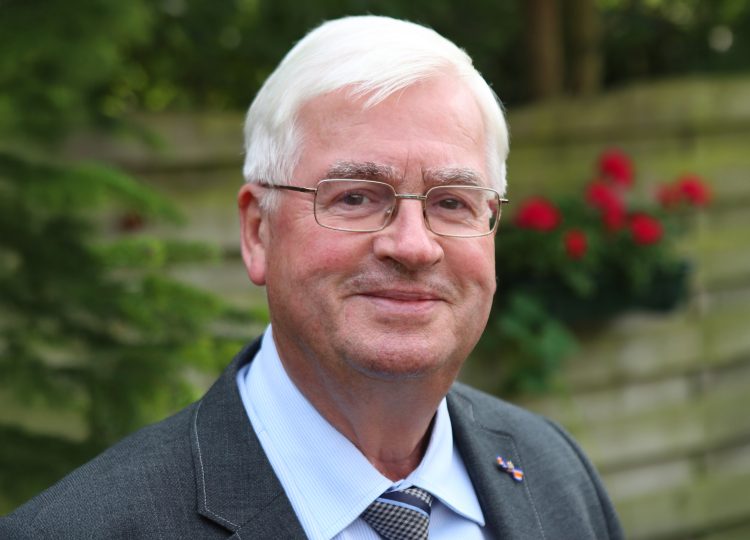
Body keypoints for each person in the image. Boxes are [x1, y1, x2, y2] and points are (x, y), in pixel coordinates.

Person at [0, 15, 623, 540]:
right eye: (356, 197)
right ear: (258, 232)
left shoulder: (555, 473)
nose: (413, 245)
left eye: (452, 202)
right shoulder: (86, 529)